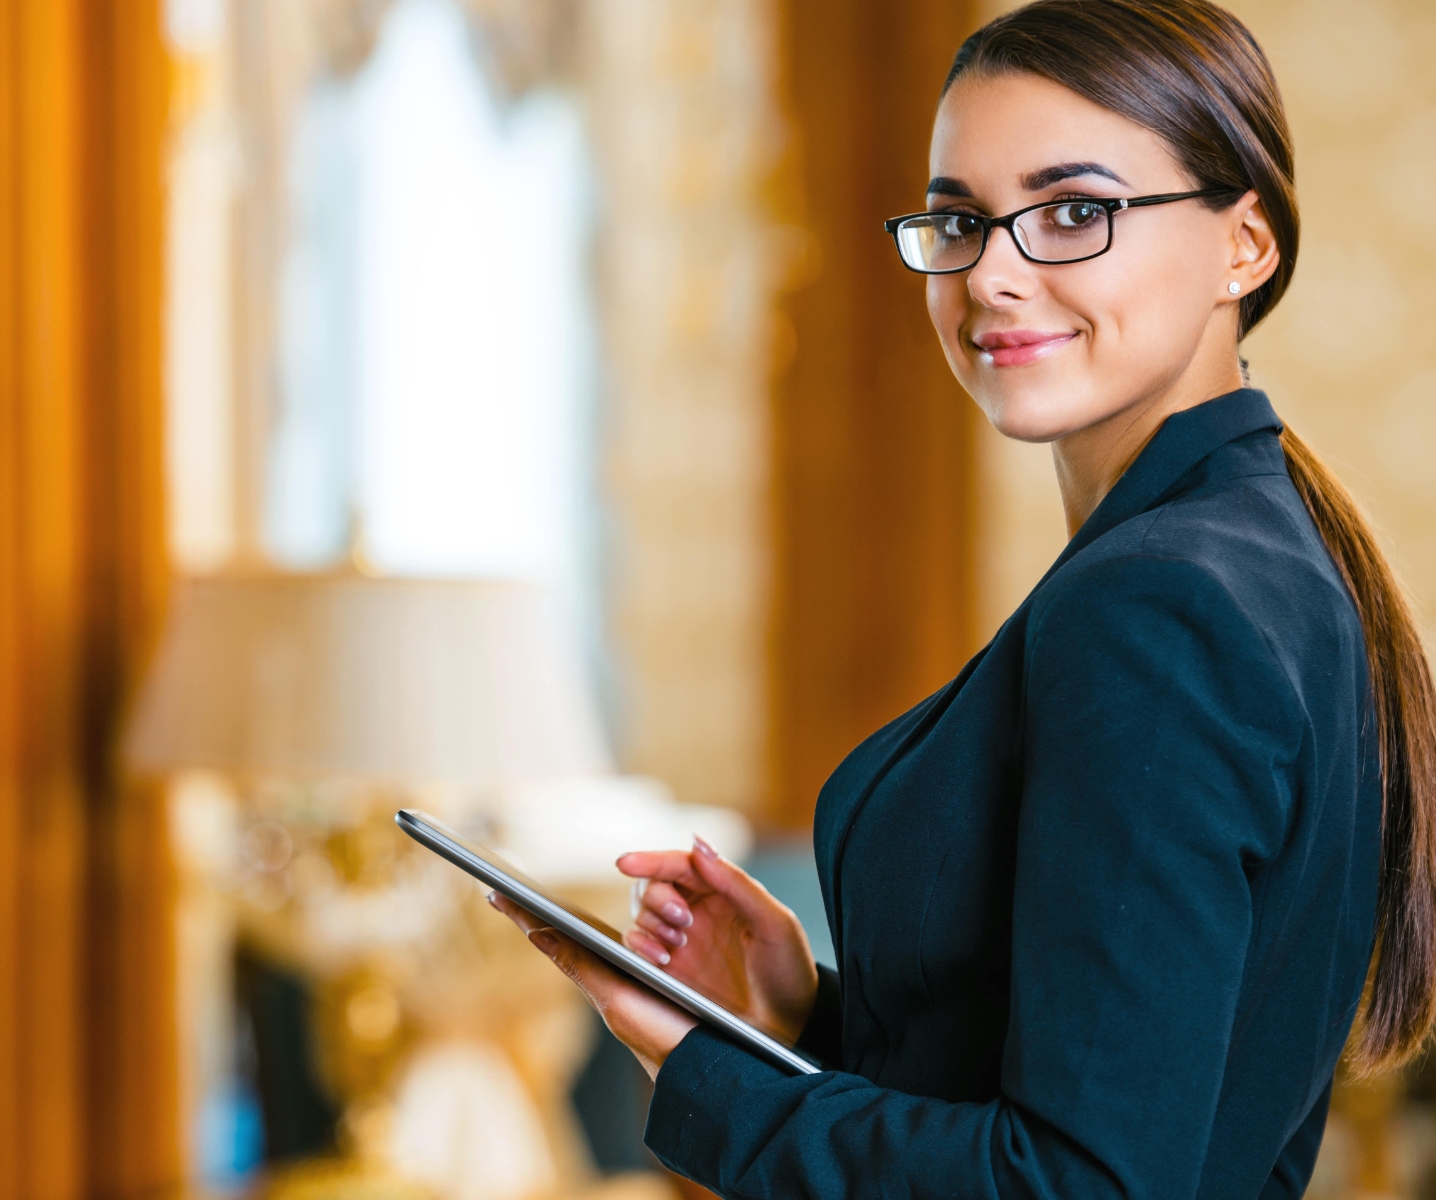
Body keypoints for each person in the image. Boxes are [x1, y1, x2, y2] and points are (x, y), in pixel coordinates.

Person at [488, 1, 1436, 1195]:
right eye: (959, 219)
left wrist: (707, 1076)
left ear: (1244, 243)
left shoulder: (1165, 607)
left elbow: (1079, 1183)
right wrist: (802, 1015)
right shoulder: (1245, 556)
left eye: (1074, 211)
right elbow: (1122, 1096)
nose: (992, 271)